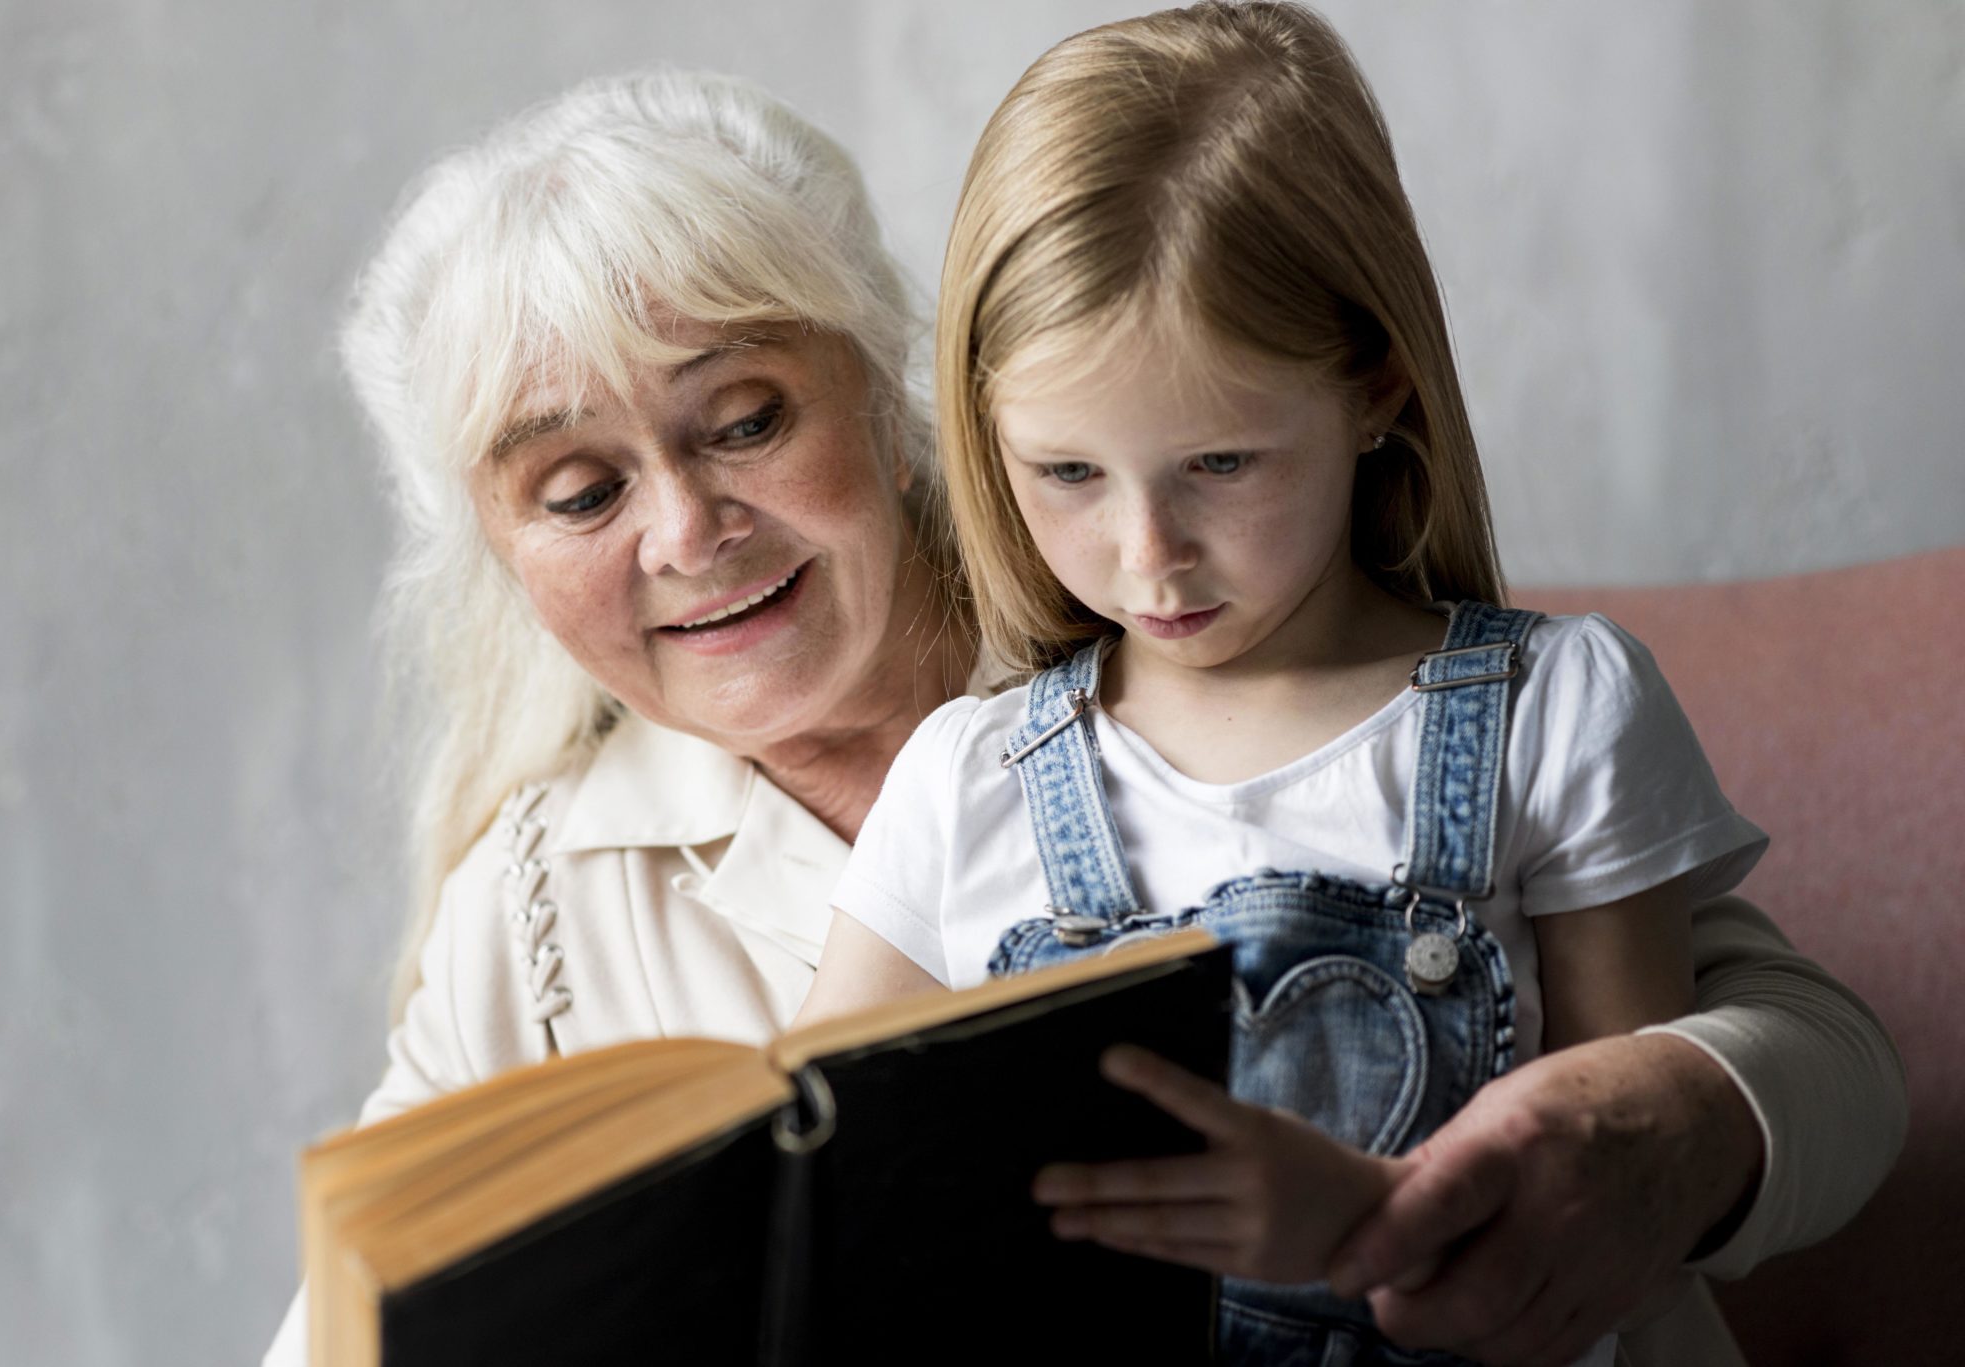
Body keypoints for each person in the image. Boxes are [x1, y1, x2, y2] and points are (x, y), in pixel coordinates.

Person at [263, 65, 1904, 1367]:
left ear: (895, 394)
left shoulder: (1199, 648)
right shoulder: (541, 906)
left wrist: (1670, 1122)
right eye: (579, 490)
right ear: (499, 553)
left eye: (748, 421)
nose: (689, 533)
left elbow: (1813, 1048)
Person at [794, 5, 1897, 1364]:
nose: (1148, 557)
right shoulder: (966, 780)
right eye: (1068, 474)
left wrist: (1355, 1226)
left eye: (1223, 463)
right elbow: (822, 1193)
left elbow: (1604, 1234)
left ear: (1374, 384)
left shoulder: (1555, 717)